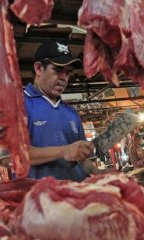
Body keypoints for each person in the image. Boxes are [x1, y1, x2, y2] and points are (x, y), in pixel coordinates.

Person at [24, 40, 95, 181]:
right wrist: (64, 151)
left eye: (68, 72)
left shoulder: (71, 112)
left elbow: (81, 160)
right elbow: (9, 158)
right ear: (39, 69)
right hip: (41, 199)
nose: (64, 78)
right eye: (58, 70)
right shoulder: (19, 105)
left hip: (77, 196)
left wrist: (98, 173)